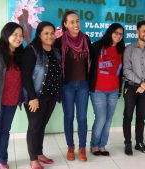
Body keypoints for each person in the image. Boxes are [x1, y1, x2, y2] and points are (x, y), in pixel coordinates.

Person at [21, 21, 61, 169]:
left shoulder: (55, 51)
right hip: (35, 97)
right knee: (34, 127)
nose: (50, 36)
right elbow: (25, 76)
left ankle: (39, 153)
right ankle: (33, 160)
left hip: (51, 96)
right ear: (39, 35)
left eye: (52, 33)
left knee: (42, 126)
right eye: (46, 33)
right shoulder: (32, 50)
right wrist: (32, 97)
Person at [54, 10, 92, 161]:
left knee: (82, 117)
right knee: (69, 117)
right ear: (65, 24)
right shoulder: (59, 41)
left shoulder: (86, 39)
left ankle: (82, 147)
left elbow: (92, 61)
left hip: (83, 85)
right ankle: (70, 146)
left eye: (77, 21)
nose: (76, 24)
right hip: (67, 86)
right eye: (71, 22)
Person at [0, 22, 23, 169]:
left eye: (21, 35)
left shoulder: (20, 53)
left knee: (5, 132)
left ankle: (2, 159)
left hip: (12, 100)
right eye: (15, 35)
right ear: (6, 34)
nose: (18, 38)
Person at [89, 23, 125, 156]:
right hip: (98, 90)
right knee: (101, 118)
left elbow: (121, 72)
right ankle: (94, 145)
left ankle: (102, 145)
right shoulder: (98, 46)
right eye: (116, 32)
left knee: (109, 119)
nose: (118, 36)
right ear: (109, 32)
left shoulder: (122, 50)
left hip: (114, 91)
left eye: (121, 34)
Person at [123, 20, 145, 155]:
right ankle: (128, 143)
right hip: (131, 88)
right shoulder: (129, 49)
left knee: (141, 117)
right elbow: (126, 70)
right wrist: (141, 83)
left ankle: (139, 143)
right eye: (144, 31)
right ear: (137, 32)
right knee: (128, 116)